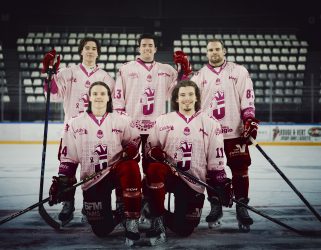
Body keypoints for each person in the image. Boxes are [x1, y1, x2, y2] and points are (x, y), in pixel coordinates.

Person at [48, 81, 142, 246]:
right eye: (95, 93)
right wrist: (64, 180)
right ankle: (120, 213)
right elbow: (69, 156)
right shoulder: (75, 123)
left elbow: (134, 141)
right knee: (101, 230)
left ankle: (131, 217)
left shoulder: (121, 120)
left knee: (130, 167)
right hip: (92, 178)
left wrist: (131, 150)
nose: (99, 97)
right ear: (89, 97)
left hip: (115, 170)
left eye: (102, 93)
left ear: (108, 97)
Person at [144, 80, 233, 245]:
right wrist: (153, 152)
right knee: (155, 169)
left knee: (184, 229)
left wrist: (221, 184)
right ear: (176, 99)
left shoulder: (211, 124)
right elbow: (149, 150)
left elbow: (216, 159)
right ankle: (156, 218)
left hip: (193, 181)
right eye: (182, 95)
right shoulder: (163, 121)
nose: (187, 98)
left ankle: (158, 212)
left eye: (190, 94)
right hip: (169, 174)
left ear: (197, 97)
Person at [42, 37, 115, 224]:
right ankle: (68, 203)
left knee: (93, 171)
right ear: (81, 51)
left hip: (95, 133)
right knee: (66, 171)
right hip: (71, 131)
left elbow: (112, 105)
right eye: (87, 48)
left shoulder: (106, 77)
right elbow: (54, 94)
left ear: (98, 53)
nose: (90, 51)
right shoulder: (68, 72)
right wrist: (48, 73)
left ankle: (89, 204)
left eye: (93, 48)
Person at [191, 39, 259, 231]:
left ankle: (242, 207)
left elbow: (247, 96)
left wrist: (249, 119)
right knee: (212, 173)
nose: (214, 52)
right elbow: (190, 101)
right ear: (206, 53)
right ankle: (215, 206)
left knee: (240, 170)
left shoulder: (238, 71)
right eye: (210, 50)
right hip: (210, 135)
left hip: (236, 132)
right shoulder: (200, 75)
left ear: (224, 51)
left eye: (217, 49)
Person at [112, 33, 179, 220]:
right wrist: (123, 122)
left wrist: (183, 72)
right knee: (126, 166)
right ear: (139, 48)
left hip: (155, 129)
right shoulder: (125, 69)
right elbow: (118, 98)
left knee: (153, 169)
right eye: (144, 45)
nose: (147, 48)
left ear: (155, 49)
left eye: (151, 45)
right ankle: (123, 204)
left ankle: (151, 204)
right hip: (131, 128)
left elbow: (175, 94)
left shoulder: (166, 70)